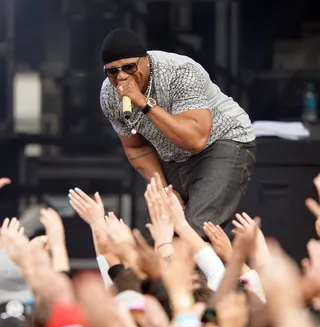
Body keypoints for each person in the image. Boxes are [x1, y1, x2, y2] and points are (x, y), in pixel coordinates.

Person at [100, 28, 256, 239]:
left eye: (129, 67)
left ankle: (207, 270)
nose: (121, 77)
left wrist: (144, 104)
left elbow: (196, 140)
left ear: (146, 60)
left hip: (221, 141)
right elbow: (135, 146)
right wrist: (165, 190)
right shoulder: (110, 95)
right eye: (112, 71)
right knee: (161, 231)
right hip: (172, 155)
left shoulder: (180, 71)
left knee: (196, 228)